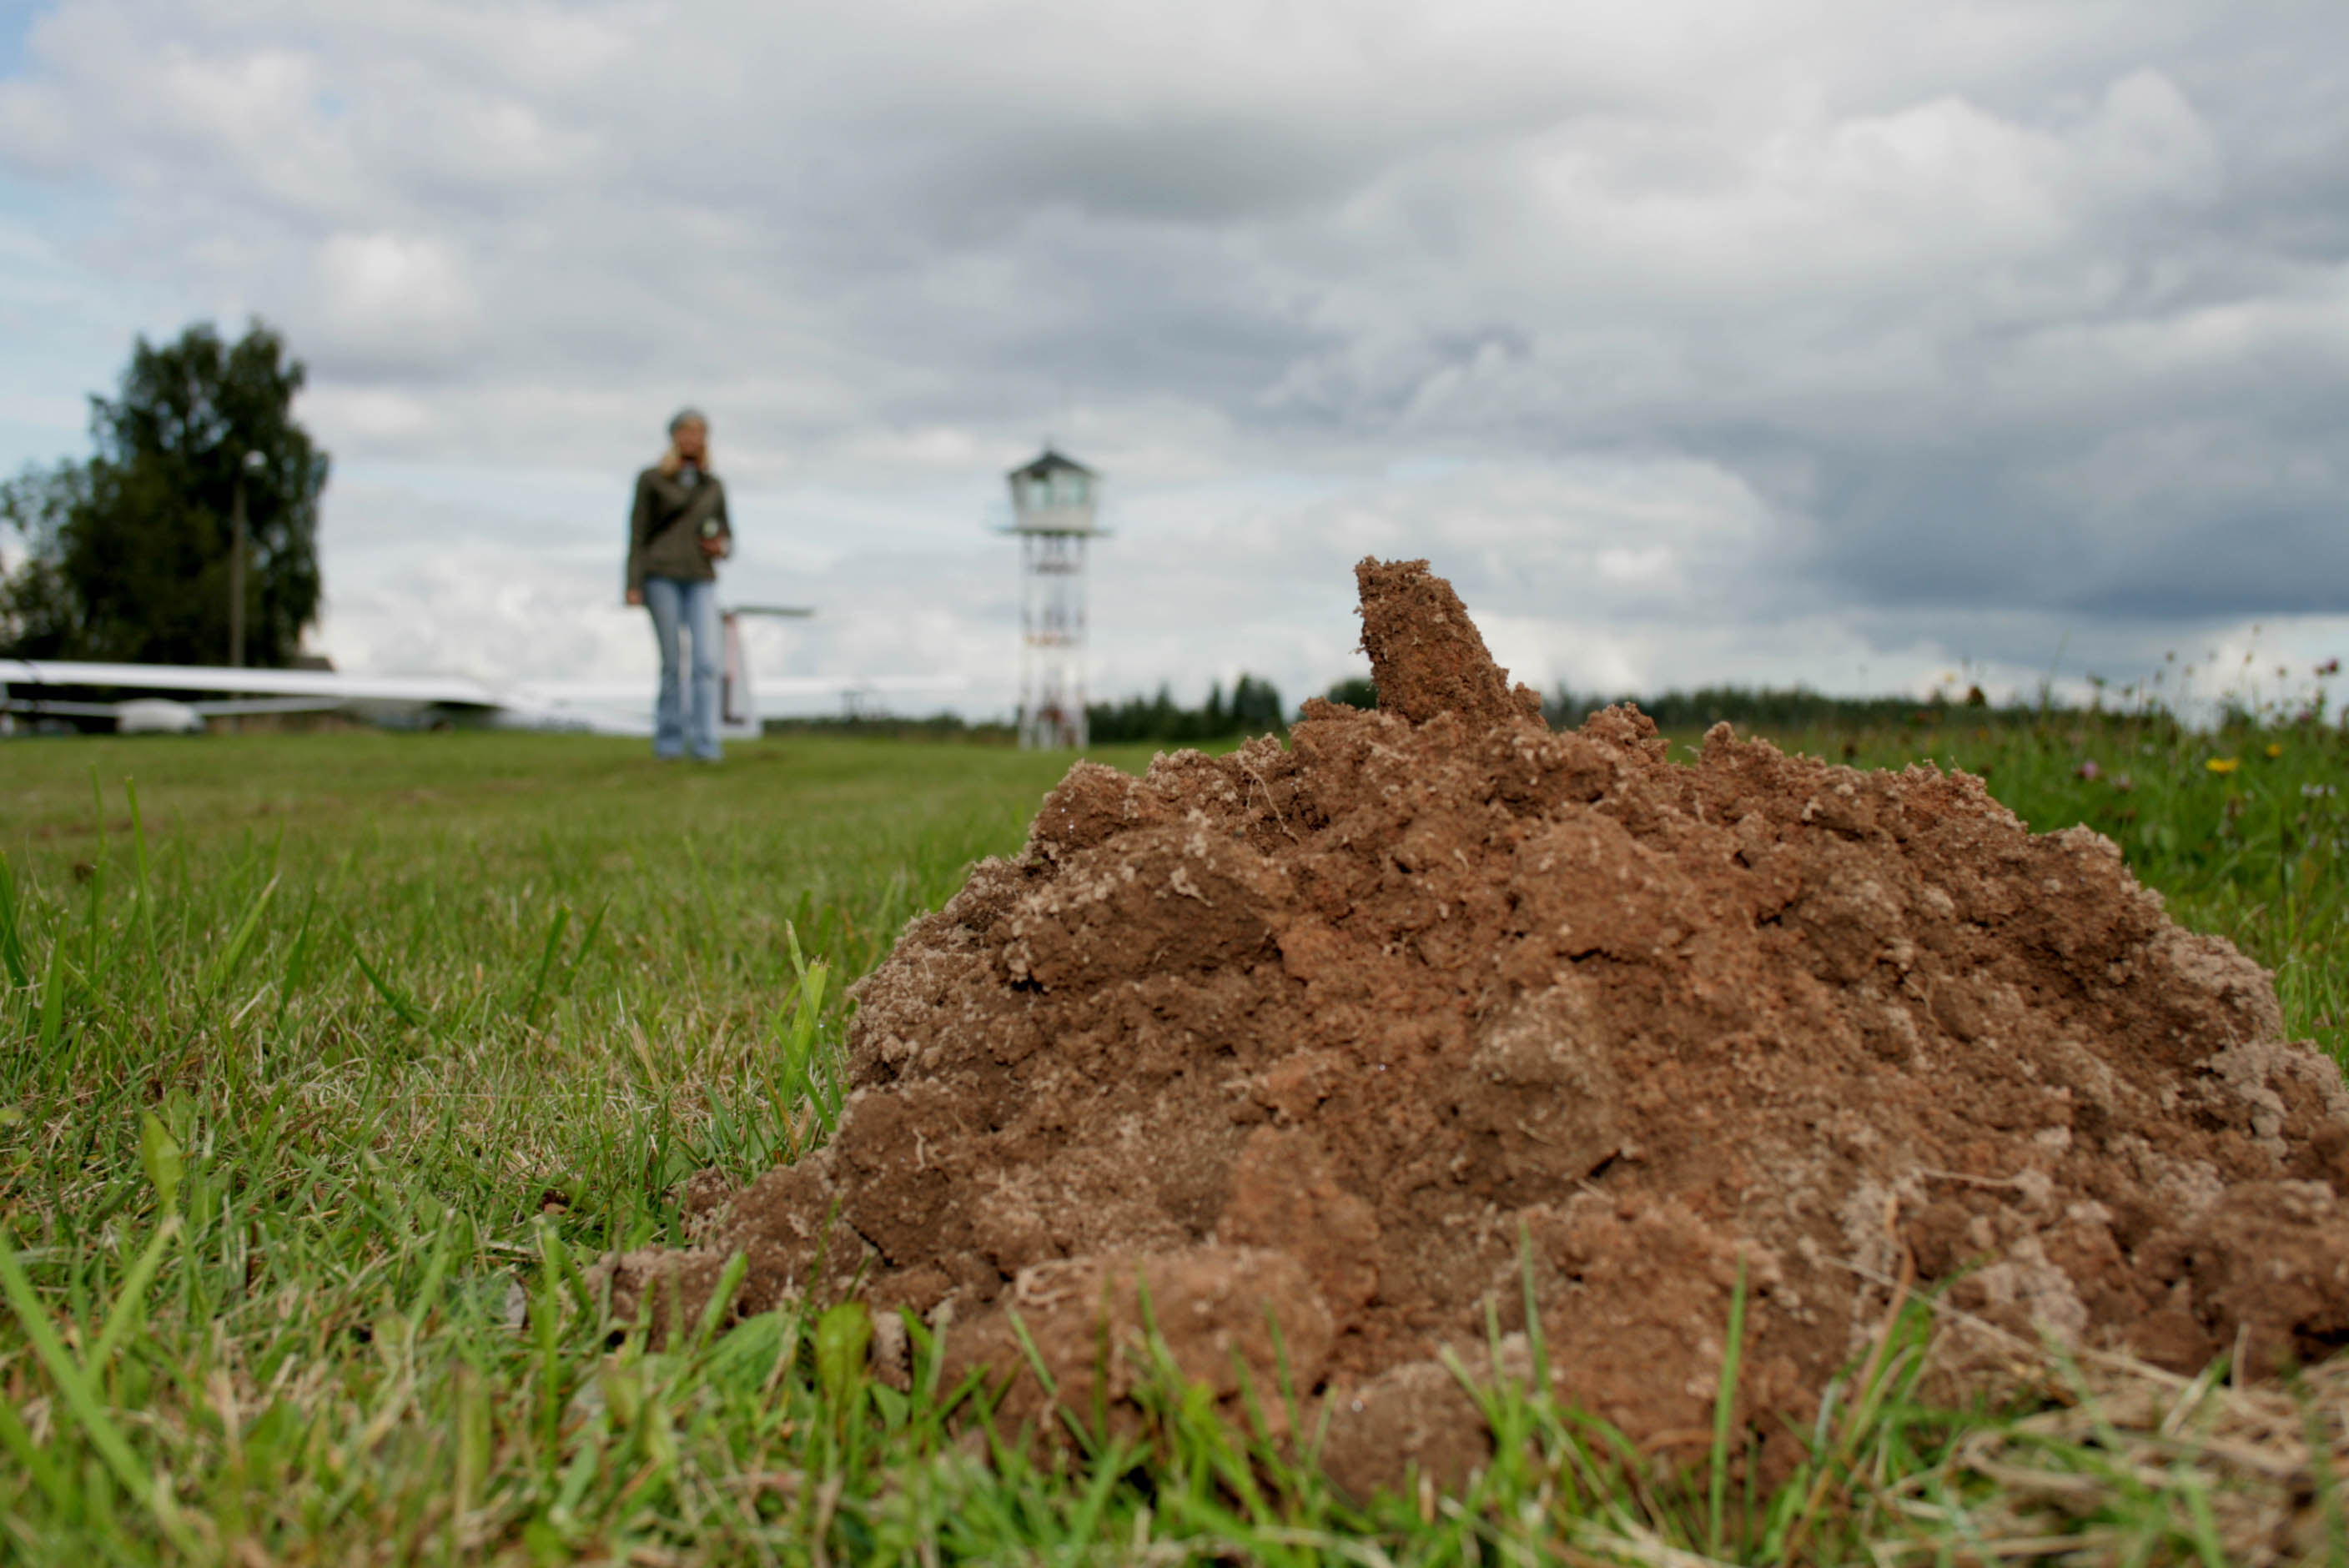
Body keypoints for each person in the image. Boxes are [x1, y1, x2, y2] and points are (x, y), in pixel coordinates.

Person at [625, 409, 733, 761]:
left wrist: (720, 547)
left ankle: (706, 743)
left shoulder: (712, 486)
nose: (691, 438)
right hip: (661, 575)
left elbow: (727, 536)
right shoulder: (652, 480)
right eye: (685, 432)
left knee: (706, 663)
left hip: (701, 577)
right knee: (672, 663)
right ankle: (669, 743)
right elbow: (637, 533)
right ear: (673, 436)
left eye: (698, 432)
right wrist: (633, 583)